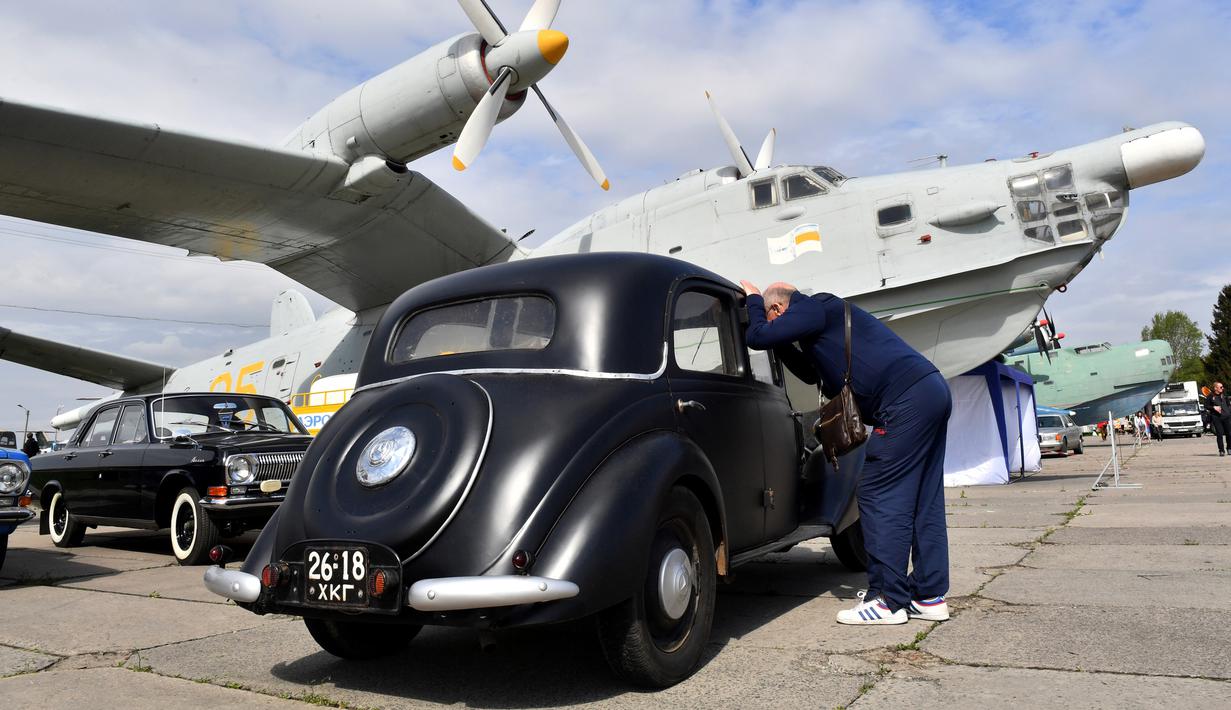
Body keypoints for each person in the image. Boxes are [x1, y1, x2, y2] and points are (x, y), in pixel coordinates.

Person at [741, 280, 951, 626]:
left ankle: (887, 600)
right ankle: (929, 596)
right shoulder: (819, 327)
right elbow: (810, 373)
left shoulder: (815, 304)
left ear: (778, 310)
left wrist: (751, 301)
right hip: (928, 391)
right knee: (923, 499)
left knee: (878, 493)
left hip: (903, 402)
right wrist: (781, 343)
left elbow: (758, 337)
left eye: (770, 316)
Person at [1204, 382, 1231, 456]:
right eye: (1221, 387)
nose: (1223, 388)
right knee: (1219, 434)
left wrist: (1228, 412)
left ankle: (1229, 448)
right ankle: (1221, 451)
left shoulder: (1224, 395)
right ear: (1215, 388)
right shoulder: (1210, 396)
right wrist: (1213, 407)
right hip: (1216, 417)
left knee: (1229, 433)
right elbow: (1206, 406)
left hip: (1226, 417)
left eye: (1222, 387)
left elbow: (1228, 405)